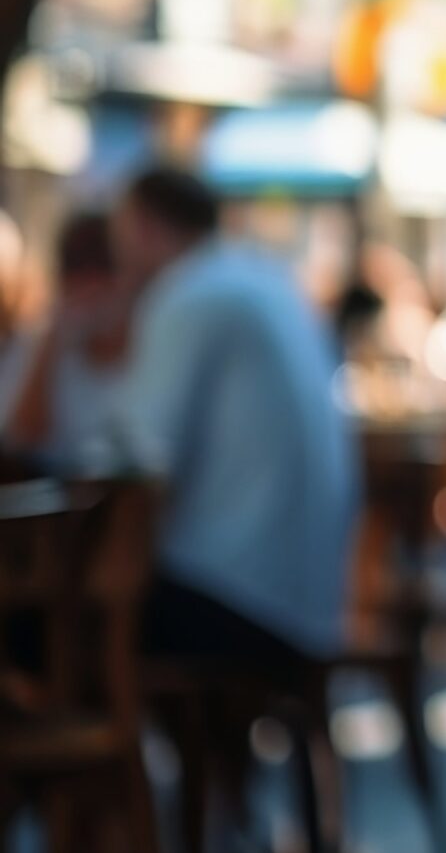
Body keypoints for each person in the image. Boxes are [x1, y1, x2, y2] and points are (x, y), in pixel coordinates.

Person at [110, 165, 357, 678]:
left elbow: (136, 463)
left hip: (240, 605)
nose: (119, 259)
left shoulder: (189, 292)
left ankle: (108, 759)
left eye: (121, 236)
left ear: (147, 227)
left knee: (35, 629)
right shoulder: (265, 278)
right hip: (312, 606)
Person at [3, 212, 128, 471]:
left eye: (104, 271)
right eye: (76, 270)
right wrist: (51, 342)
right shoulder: (39, 343)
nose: (91, 287)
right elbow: (20, 438)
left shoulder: (155, 348)